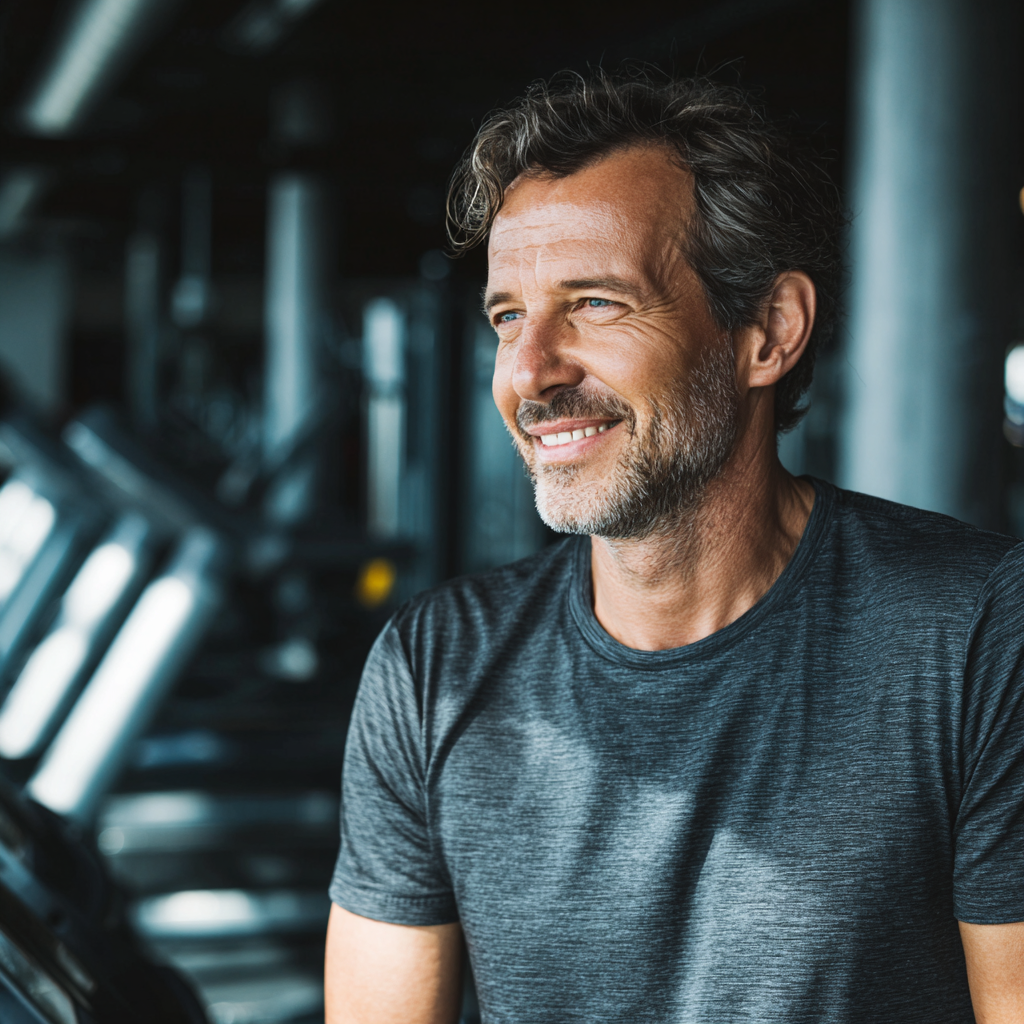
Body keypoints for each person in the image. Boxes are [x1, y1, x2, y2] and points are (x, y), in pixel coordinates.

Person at [324, 71, 1024, 1023]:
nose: (530, 371)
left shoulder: (979, 635)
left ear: (768, 333)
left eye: (596, 303)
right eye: (508, 315)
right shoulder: (433, 668)